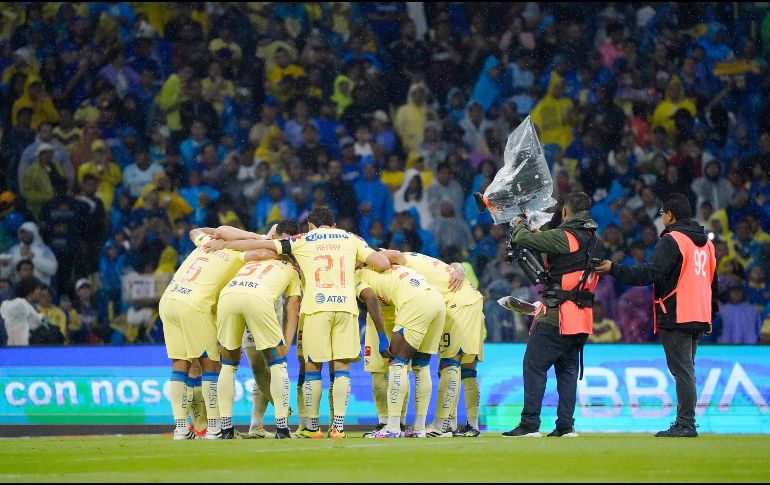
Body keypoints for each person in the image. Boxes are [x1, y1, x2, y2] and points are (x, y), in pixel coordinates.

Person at [203, 207, 390, 439]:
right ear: (333, 224)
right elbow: (382, 262)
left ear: (310, 224)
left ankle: (311, 427)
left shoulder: (303, 239)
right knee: (341, 369)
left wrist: (225, 245)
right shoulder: (351, 238)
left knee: (313, 368)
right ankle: (338, 428)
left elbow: (265, 246)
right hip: (345, 307)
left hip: (316, 309)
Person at [596, 193, 718, 438]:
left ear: (670, 215)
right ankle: (686, 422)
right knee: (687, 369)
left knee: (682, 371)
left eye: (662, 213)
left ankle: (686, 424)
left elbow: (651, 273)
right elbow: (711, 279)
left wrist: (614, 269)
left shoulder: (673, 239)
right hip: (700, 312)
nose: (661, 218)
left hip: (678, 311)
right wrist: (707, 311)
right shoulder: (706, 243)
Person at [502, 192, 603, 438]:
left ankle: (530, 424)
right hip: (582, 318)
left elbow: (525, 239)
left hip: (558, 315)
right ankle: (565, 427)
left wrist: (520, 223)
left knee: (534, 365)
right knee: (567, 371)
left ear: (566, 212)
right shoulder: (594, 240)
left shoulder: (566, 236)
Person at [381, 249, 486, 437]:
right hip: (470, 300)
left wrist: (375, 259)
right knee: (467, 368)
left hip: (457, 305)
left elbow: (396, 256)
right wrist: (457, 266)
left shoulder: (401, 262)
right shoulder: (417, 257)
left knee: (450, 363)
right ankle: (469, 424)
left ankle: (440, 426)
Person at [158, 226, 248, 440]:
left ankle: (181, 428)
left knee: (180, 365)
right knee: (212, 365)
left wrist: (219, 233)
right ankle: (215, 428)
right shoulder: (241, 253)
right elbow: (262, 249)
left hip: (169, 299)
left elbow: (193, 231)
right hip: (194, 305)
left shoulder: (205, 242)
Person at [214, 220, 303, 439]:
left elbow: (238, 245)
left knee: (228, 365)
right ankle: (282, 427)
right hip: (259, 299)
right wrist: (287, 344)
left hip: (229, 295)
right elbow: (293, 308)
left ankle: (225, 429)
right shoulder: (292, 268)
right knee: (277, 364)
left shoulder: (253, 254)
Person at [354, 262, 446, 438]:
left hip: (415, 302)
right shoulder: (383, 267)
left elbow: (372, 299)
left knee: (397, 364)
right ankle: (419, 428)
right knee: (421, 367)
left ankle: (393, 428)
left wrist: (381, 336)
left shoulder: (357, 276)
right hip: (437, 300)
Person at [0, 277, 44, 346]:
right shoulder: (19, 304)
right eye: (38, 289)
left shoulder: (30, 306)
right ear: (30, 290)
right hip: (18, 349)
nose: (41, 292)